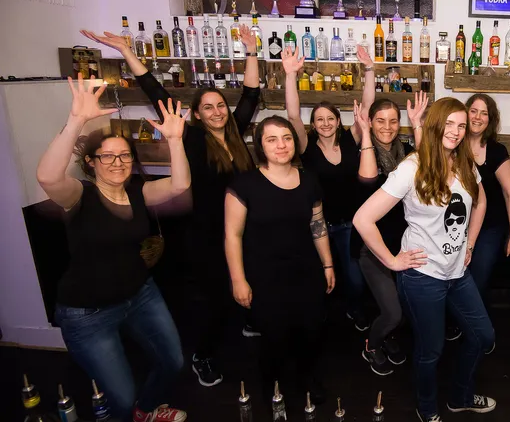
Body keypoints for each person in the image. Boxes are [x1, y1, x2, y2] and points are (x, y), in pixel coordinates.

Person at [81, 27, 261, 387]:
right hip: (208, 232)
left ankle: (246, 320)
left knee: (247, 279)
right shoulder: (192, 139)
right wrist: (127, 52)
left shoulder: (235, 133)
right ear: (196, 114)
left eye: (220, 105)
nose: (217, 112)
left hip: (242, 228)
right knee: (216, 298)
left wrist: (251, 51)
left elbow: (251, 94)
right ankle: (202, 355)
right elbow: (156, 92)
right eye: (207, 107)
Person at [37, 75, 190, 422]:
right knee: (120, 397)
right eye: (107, 156)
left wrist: (175, 140)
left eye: (123, 155)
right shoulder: (78, 195)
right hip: (87, 312)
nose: (117, 162)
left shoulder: (138, 192)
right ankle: (132, 410)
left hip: (140, 294)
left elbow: (179, 185)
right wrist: (76, 120)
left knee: (172, 361)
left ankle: (146, 410)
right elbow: (47, 177)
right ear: (91, 162)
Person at [353, 97, 495, 422]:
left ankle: (460, 397)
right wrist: (391, 261)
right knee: (431, 350)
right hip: (422, 276)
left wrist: (470, 243)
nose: (456, 131)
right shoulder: (411, 168)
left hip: (457, 273)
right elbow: (363, 218)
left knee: (483, 336)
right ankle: (427, 408)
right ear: (435, 125)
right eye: (450, 124)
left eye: (462, 125)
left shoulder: (465, 162)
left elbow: (481, 203)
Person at [224, 115, 336, 404]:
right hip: (265, 277)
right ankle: (273, 387)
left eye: (286, 138)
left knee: (311, 331)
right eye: (272, 139)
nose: (281, 145)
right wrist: (238, 280)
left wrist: (327, 264)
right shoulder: (244, 185)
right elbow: (233, 236)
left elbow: (318, 225)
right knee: (275, 337)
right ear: (260, 146)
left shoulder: (309, 180)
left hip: (306, 271)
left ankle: (308, 380)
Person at [283, 44, 376, 332]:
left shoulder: (350, 139)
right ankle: (319, 313)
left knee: (355, 278)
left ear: (338, 121)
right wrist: (290, 75)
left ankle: (354, 308)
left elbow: (367, 106)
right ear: (313, 124)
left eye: (330, 119)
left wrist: (369, 69)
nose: (325, 124)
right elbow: (293, 115)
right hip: (317, 224)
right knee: (318, 276)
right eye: (319, 119)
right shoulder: (306, 145)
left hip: (349, 223)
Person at [352, 91, 428, 376]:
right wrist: (364, 133)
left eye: (393, 121)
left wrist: (417, 123)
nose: (387, 126)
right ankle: (372, 345)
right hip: (372, 248)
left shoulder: (406, 151)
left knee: (405, 307)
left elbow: (427, 165)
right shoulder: (362, 152)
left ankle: (387, 336)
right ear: (370, 122)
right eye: (380, 121)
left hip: (403, 244)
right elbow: (369, 180)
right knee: (393, 312)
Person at [445, 94, 510, 344]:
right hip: (455, 227)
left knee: (477, 280)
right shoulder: (453, 145)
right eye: (474, 111)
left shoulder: (497, 151)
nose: (478, 117)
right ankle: (458, 322)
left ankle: (476, 330)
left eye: (484, 113)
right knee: (453, 277)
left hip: (490, 227)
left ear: (491, 119)